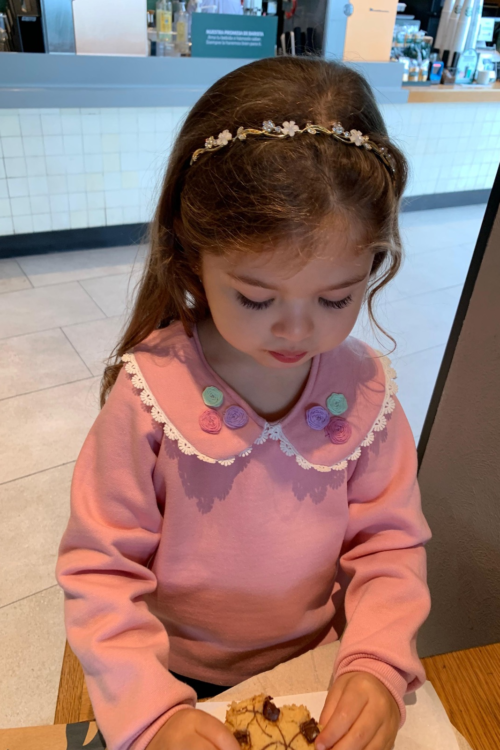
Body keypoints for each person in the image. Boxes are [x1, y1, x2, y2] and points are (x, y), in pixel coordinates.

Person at [56, 56, 432, 750]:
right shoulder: (149, 396)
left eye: (336, 298)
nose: (296, 331)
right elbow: (100, 570)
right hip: (167, 679)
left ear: (373, 267)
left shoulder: (365, 394)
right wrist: (152, 712)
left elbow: (388, 545)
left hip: (320, 667)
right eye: (256, 298)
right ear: (190, 255)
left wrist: (377, 662)